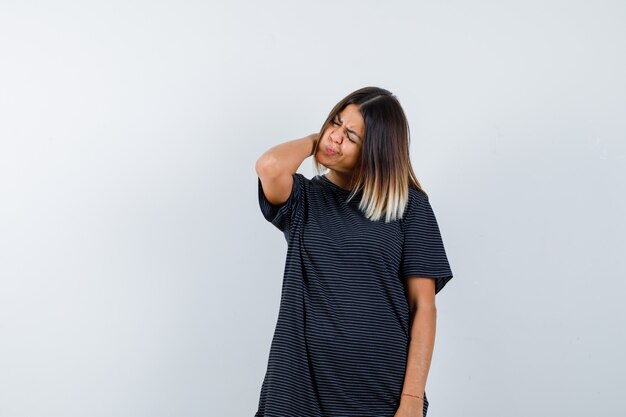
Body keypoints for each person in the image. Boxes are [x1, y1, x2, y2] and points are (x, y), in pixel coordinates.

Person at [254, 86, 454, 417]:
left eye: (351, 136)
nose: (334, 138)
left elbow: (424, 307)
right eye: (335, 123)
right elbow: (270, 166)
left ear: (376, 150)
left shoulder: (409, 207)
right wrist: (314, 140)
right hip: (298, 391)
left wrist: (412, 400)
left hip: (380, 394)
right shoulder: (304, 200)